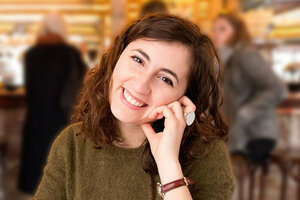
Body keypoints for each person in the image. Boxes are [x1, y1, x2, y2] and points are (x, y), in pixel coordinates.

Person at [33, 14, 234, 200]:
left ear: (185, 98)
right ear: (116, 58)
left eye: (165, 79)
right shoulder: (71, 144)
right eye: (138, 60)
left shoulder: (207, 154)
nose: (140, 86)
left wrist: (168, 164)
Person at [18, 13, 87, 193]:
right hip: (62, 117)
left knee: (35, 164)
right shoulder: (70, 54)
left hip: (36, 117)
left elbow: (30, 88)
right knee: (60, 158)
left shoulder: (32, 55)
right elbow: (82, 85)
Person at [212, 13, 287, 164]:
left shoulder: (246, 55)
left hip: (256, 135)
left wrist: (248, 112)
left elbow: (277, 89)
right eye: (214, 29)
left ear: (236, 32)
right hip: (236, 134)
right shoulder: (224, 59)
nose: (215, 34)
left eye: (222, 29)